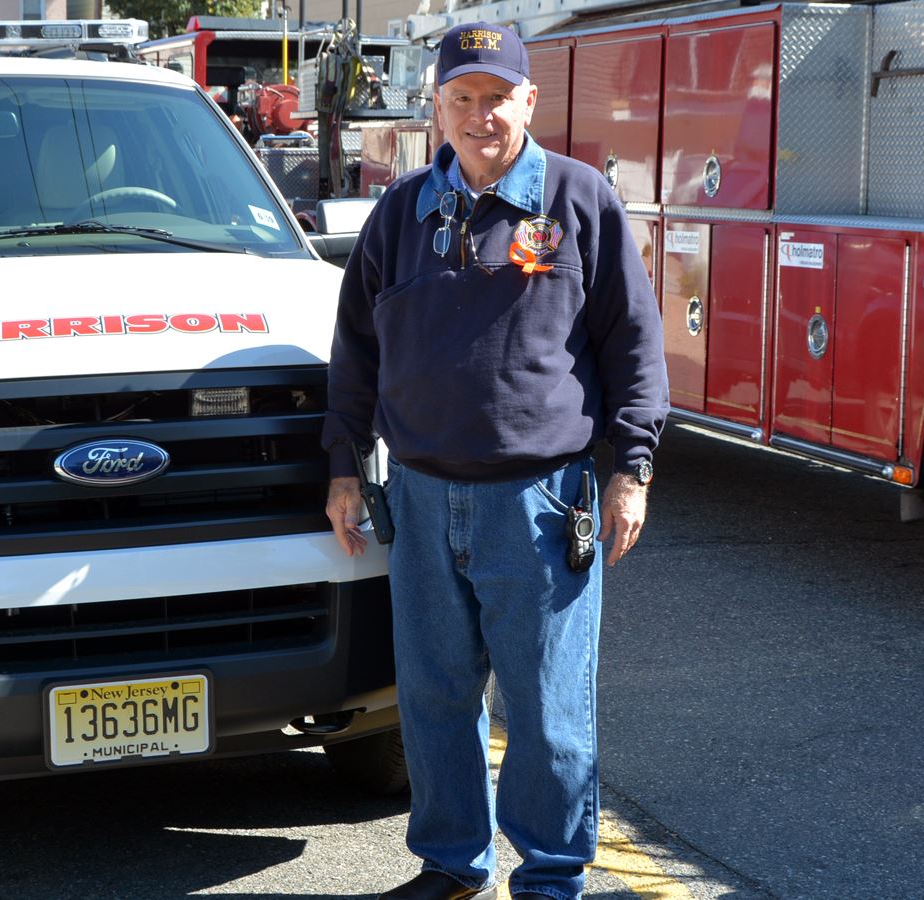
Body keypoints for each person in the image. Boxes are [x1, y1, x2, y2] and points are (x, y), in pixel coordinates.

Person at [322, 21, 668, 900]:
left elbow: (634, 345)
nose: (480, 117)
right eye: (461, 99)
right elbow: (355, 351)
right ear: (437, 106)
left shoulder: (579, 201)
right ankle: (451, 865)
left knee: (549, 713)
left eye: (497, 97)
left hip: (542, 502)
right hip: (424, 496)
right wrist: (341, 468)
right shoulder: (402, 213)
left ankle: (551, 876)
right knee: (436, 701)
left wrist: (631, 470)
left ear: (530, 100)